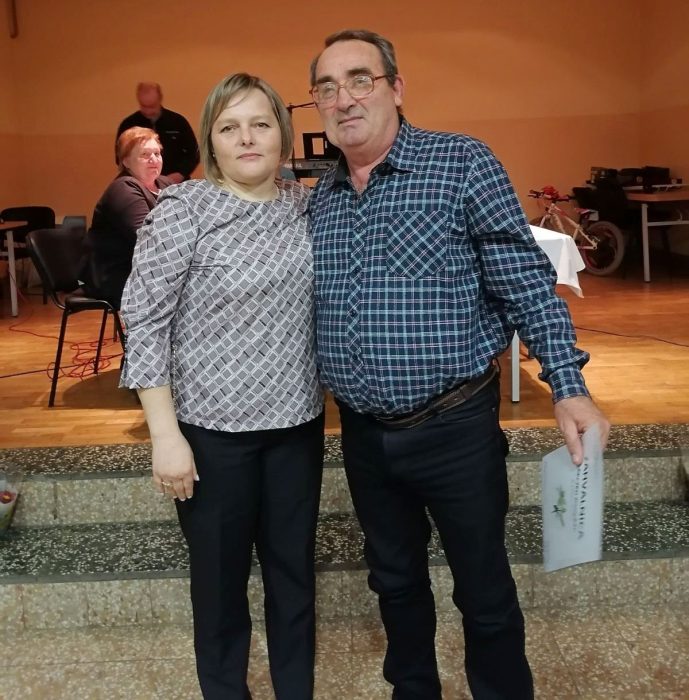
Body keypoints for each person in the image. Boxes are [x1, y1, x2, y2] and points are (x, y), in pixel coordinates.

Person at [307, 29, 610, 700]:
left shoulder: (460, 163)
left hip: (454, 429)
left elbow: (526, 285)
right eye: (326, 88)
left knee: (483, 589)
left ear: (396, 88)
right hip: (363, 434)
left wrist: (568, 386)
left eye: (359, 79)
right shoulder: (320, 199)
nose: (343, 98)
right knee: (393, 584)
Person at [119, 73, 324, 699]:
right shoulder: (185, 211)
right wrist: (164, 436)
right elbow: (144, 321)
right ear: (210, 140)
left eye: (260, 123)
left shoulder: (306, 206)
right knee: (218, 586)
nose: (247, 138)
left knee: (294, 580)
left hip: (296, 428)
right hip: (212, 437)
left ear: (283, 133)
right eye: (230, 127)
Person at [82, 127, 173, 309]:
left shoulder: (166, 184)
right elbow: (148, 236)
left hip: (150, 271)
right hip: (115, 275)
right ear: (126, 161)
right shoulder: (124, 188)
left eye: (157, 153)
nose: (154, 159)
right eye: (145, 155)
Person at [116, 82, 200, 183]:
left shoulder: (177, 122)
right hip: (140, 183)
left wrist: (181, 173)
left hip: (176, 182)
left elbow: (194, 153)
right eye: (144, 106)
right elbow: (120, 156)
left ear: (160, 99)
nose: (148, 111)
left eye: (152, 106)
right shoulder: (129, 124)